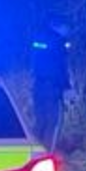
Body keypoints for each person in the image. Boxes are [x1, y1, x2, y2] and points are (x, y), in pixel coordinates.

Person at [30, 18, 72, 149]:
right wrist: (67, 87)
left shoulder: (40, 38)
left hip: (38, 86)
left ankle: (32, 153)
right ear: (60, 27)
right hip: (52, 88)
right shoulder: (58, 42)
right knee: (53, 123)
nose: (68, 31)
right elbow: (60, 68)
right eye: (67, 27)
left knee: (40, 122)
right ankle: (48, 154)